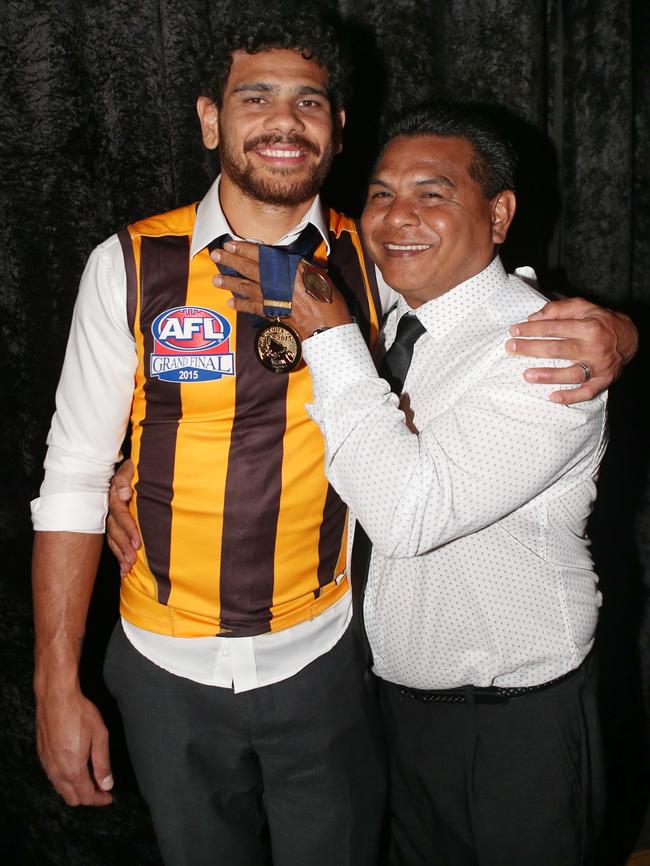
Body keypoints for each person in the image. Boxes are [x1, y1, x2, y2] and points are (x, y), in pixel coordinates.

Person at [32, 6, 632, 864]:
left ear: (338, 128)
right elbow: (72, 476)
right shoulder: (129, 263)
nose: (284, 121)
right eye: (257, 98)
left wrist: (618, 329)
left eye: (309, 102)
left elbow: (483, 310)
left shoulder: (377, 258)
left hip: (331, 665)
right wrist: (57, 681)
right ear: (212, 118)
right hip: (163, 665)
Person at [221, 102, 611, 866]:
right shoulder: (392, 316)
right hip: (395, 713)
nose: (399, 217)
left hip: (511, 727)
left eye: (433, 194)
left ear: (499, 214)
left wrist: (330, 340)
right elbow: (328, 441)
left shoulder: (545, 350)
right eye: (381, 194)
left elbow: (406, 514)